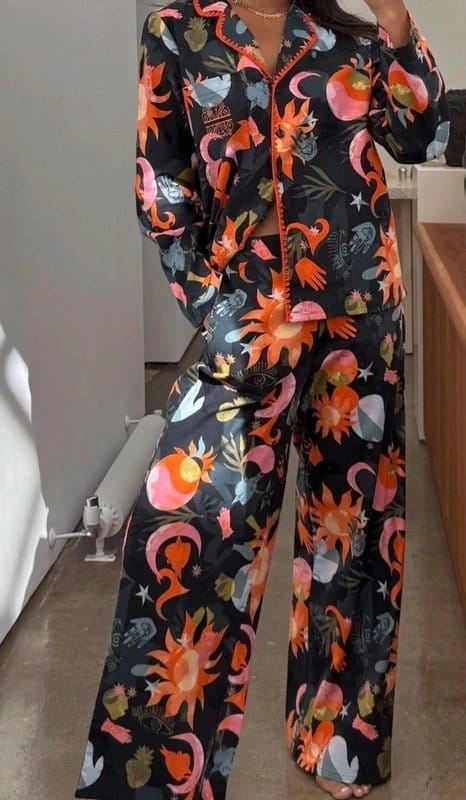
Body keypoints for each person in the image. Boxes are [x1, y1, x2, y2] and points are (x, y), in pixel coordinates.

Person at [75, 1, 448, 798]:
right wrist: (210, 306)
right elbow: (161, 187)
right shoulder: (179, 31)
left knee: (354, 533)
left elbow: (426, 136)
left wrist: (394, 15)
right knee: (185, 525)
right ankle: (151, 780)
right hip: (245, 323)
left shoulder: (349, 36)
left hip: (359, 318)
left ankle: (338, 743)